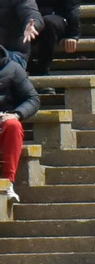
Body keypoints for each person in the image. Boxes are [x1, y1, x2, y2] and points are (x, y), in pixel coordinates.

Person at [0, 51, 36, 201]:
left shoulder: (13, 68)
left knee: (13, 126)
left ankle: (8, 183)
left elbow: (32, 99)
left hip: (3, 120)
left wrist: (17, 114)